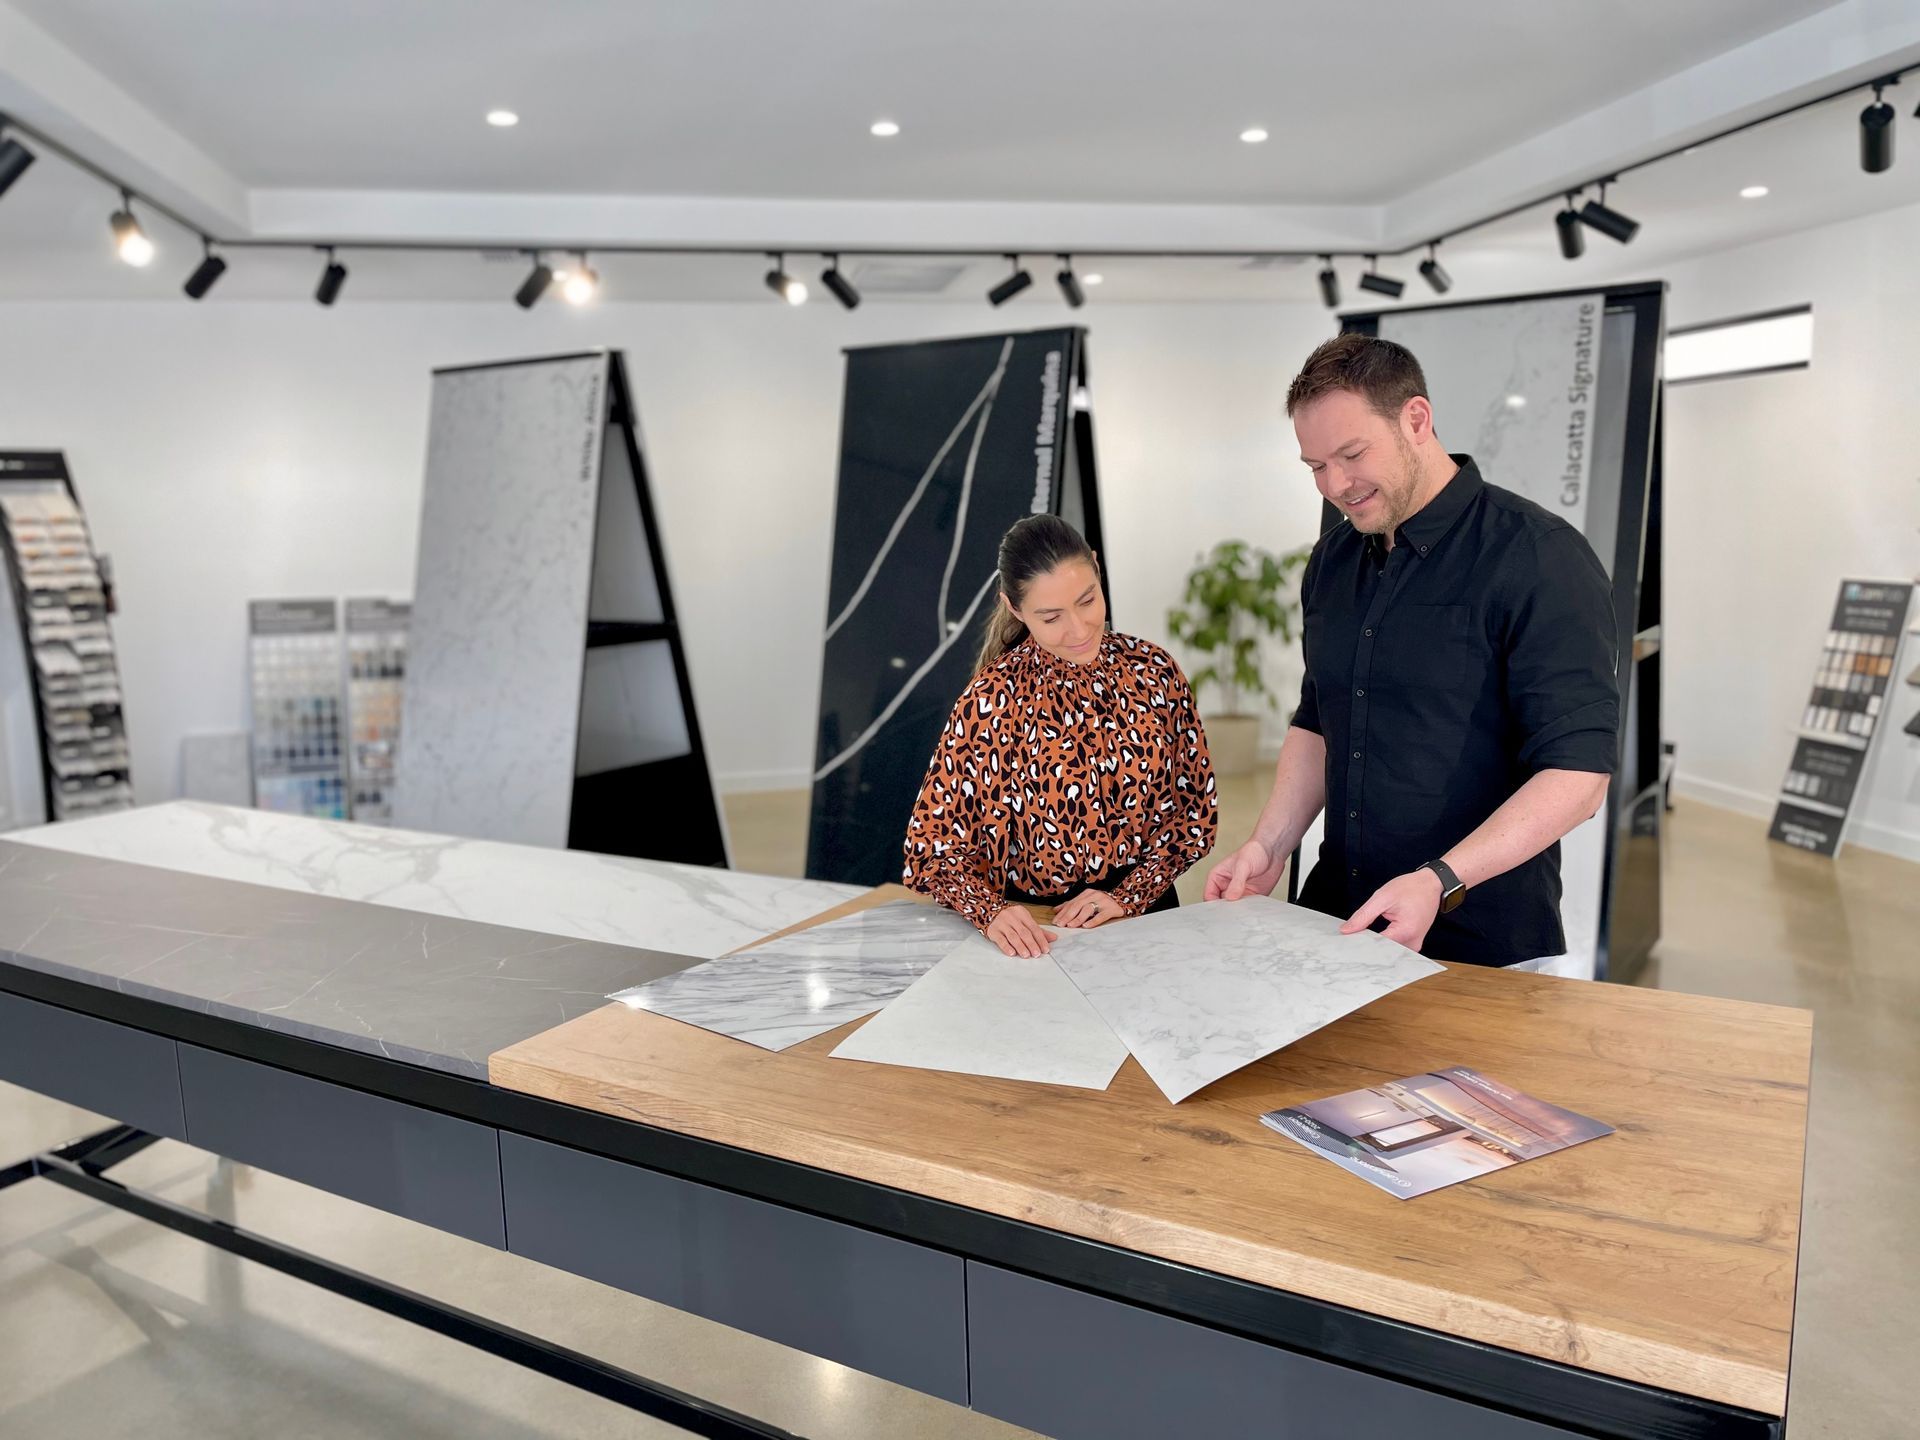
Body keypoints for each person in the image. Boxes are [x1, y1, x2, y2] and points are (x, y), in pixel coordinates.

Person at [1207, 333, 1617, 968]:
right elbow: (1319, 720)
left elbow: (1578, 777)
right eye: (1315, 466)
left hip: (1481, 941)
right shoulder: (1333, 561)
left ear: (1416, 419)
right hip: (1335, 924)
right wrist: (1268, 845)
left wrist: (1439, 881)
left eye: (1350, 454)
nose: (1336, 485)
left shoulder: (1541, 556)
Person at [904, 514, 1218, 957]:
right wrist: (989, 911)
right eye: (1051, 617)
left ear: (1096, 566)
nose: (1079, 629)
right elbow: (931, 849)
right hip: (1038, 931)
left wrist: (1129, 895)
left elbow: (1193, 813)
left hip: (1145, 914)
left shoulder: (1154, 672)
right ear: (1014, 608)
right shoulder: (992, 701)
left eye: (1087, 600)